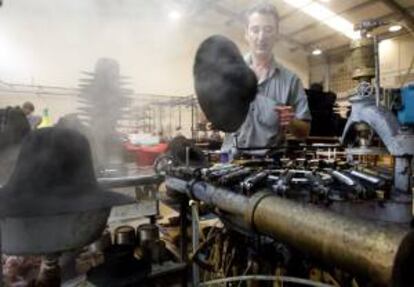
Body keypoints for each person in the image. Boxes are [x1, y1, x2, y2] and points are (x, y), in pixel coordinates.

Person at [221, 2, 311, 155]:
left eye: (268, 30)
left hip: (270, 166)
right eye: (255, 30)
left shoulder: (291, 81)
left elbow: (304, 132)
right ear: (247, 34)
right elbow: (214, 116)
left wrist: (291, 121)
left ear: (276, 34)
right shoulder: (229, 73)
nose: (261, 37)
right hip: (230, 161)